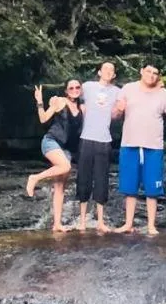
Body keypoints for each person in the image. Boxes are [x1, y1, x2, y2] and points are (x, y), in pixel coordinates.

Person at [113, 64, 166, 236]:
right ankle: (128, 224)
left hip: (153, 146)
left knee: (152, 190)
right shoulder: (128, 88)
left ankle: (151, 225)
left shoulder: (163, 93)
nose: (151, 75)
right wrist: (119, 109)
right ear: (141, 71)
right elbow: (116, 114)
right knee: (129, 187)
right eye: (148, 71)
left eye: (155, 73)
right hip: (129, 143)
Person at [26, 80, 83, 232]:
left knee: (60, 186)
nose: (75, 90)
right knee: (65, 166)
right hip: (51, 141)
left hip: (66, 149)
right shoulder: (60, 102)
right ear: (66, 91)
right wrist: (40, 102)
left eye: (77, 87)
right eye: (71, 88)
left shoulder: (81, 107)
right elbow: (43, 118)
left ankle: (57, 224)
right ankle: (35, 178)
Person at [77, 62, 120, 232]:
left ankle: (100, 221)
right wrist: (80, 105)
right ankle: (82, 220)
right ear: (99, 72)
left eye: (112, 70)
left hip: (104, 140)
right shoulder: (88, 86)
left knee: (102, 179)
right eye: (105, 69)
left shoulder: (117, 91)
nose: (108, 71)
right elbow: (72, 93)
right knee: (84, 178)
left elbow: (123, 106)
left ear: (114, 75)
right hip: (86, 138)